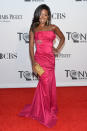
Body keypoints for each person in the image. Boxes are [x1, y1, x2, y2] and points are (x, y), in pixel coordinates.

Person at [18, 4, 65, 128]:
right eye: (41, 14)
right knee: (45, 82)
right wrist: (33, 63)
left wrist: (58, 49)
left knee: (48, 85)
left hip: (50, 61)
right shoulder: (34, 28)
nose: (43, 17)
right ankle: (44, 112)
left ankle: (42, 107)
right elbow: (30, 47)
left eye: (45, 14)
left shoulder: (53, 27)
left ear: (48, 16)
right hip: (38, 61)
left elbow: (63, 38)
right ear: (37, 15)